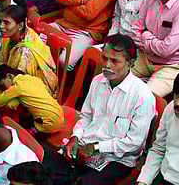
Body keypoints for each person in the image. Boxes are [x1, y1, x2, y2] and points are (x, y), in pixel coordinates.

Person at [45, 35, 156, 185]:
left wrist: (96, 147)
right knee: (47, 170)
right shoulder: (97, 81)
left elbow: (135, 143)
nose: (107, 65)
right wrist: (75, 137)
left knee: (85, 183)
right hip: (86, 144)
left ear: (130, 63)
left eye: (115, 61)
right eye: (104, 58)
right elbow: (86, 116)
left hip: (117, 158)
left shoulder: (143, 96)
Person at [0, 4, 59, 97]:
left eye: (6, 23)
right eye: (0, 21)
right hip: (9, 77)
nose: (1, 26)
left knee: (0, 100)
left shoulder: (26, 51)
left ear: (20, 25)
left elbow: (15, 84)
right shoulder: (7, 37)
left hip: (30, 88)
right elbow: (0, 65)